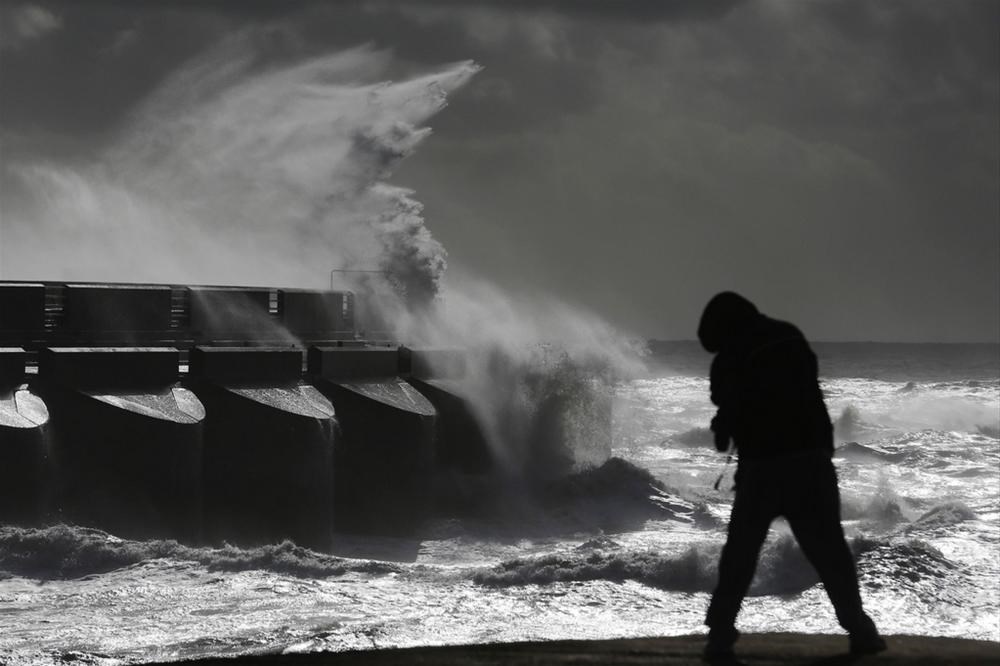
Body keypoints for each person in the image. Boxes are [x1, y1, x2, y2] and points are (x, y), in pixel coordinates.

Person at [697, 291, 885, 663]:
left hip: (766, 468)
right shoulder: (789, 335)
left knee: (740, 554)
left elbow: (730, 405)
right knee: (830, 550)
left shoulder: (733, 355)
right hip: (812, 460)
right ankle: (860, 629)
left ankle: (720, 636)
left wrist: (723, 426)